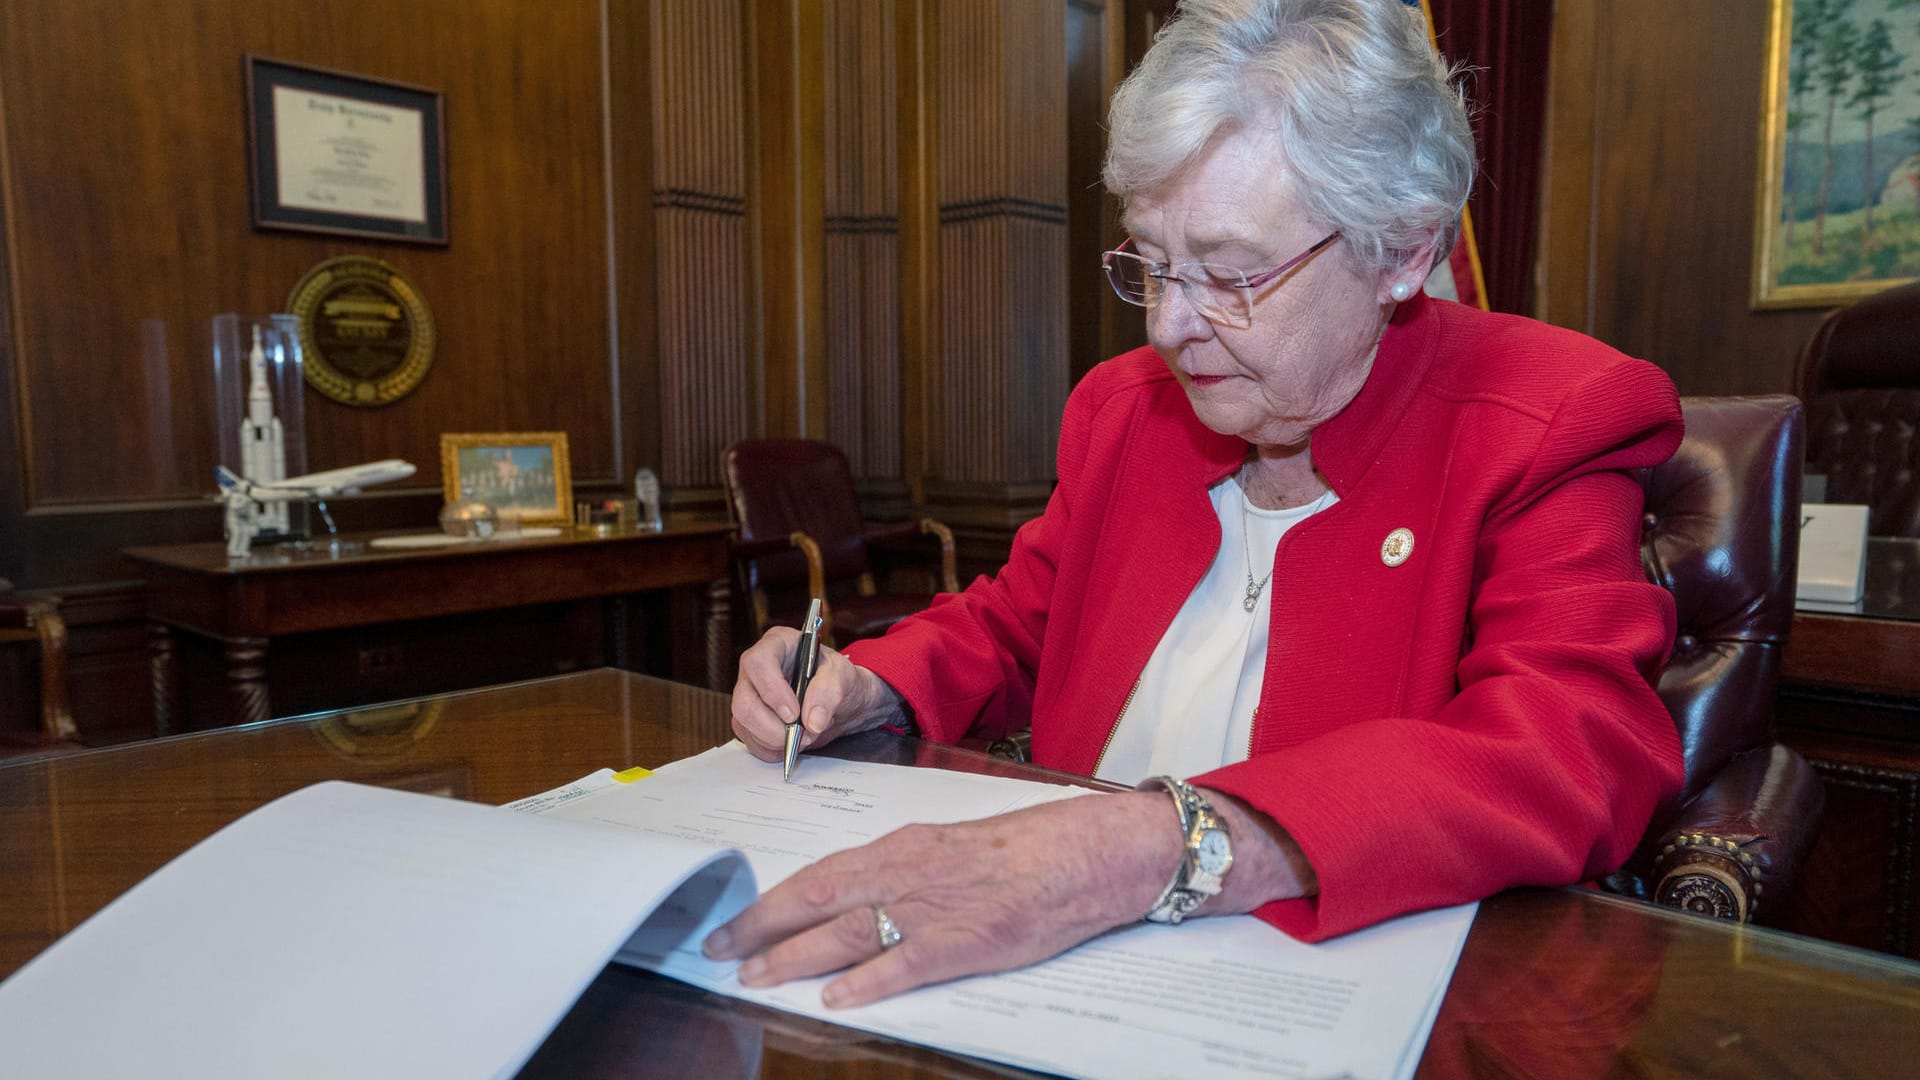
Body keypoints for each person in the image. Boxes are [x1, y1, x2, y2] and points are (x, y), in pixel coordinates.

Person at [704, 0, 1685, 1010]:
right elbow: (1019, 621)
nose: (1174, 327)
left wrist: (1149, 845)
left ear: (1399, 251)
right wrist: (867, 684)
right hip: (1053, 976)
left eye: (1229, 274)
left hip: (1325, 996)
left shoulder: (1549, 418)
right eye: (1153, 263)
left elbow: (1570, 749)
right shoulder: (1127, 412)